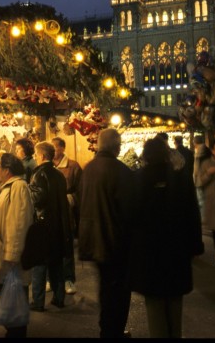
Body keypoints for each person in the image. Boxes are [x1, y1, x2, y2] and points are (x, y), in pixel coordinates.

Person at [129, 137, 204, 337]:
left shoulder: (136, 180)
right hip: (176, 250)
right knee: (174, 302)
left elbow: (130, 218)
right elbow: (192, 215)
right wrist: (195, 246)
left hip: (149, 252)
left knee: (154, 305)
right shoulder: (180, 179)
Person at [78, 128, 135, 338]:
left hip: (92, 239)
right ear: (116, 146)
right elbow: (129, 210)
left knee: (105, 288)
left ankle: (107, 329)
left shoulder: (89, 169)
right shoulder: (120, 171)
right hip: (114, 242)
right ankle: (114, 331)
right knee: (119, 291)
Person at [0, 154, 34, 338]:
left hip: (13, 257)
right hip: (6, 253)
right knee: (11, 297)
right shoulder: (7, 188)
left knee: (17, 297)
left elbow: (19, 222)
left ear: (7, 170)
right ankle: (13, 331)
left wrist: (13, 253)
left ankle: (17, 333)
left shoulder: (18, 187)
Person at [28, 141, 73, 312]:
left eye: (36, 154)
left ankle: (38, 301)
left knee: (39, 265)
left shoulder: (39, 174)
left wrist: (28, 190)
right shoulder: (58, 174)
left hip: (43, 225)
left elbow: (38, 199)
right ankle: (59, 298)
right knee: (56, 264)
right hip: (58, 225)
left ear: (42, 156)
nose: (35, 157)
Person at [51, 137, 82, 295]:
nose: (53, 150)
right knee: (51, 246)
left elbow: (80, 189)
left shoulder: (72, 166)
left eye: (55, 147)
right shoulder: (47, 165)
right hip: (50, 212)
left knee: (67, 246)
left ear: (62, 148)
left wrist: (71, 199)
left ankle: (69, 279)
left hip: (66, 211)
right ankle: (52, 279)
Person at [192, 136, 209, 217]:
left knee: (201, 199)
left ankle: (204, 217)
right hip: (203, 178)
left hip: (201, 178)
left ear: (195, 142)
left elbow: (198, 168)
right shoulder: (204, 150)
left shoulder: (200, 152)